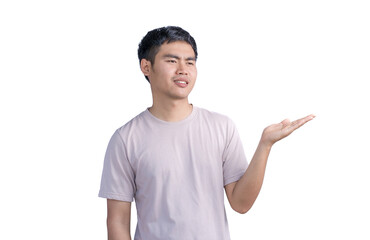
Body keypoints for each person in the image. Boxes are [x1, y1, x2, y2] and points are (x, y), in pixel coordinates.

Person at [98, 26, 315, 240]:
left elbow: (241, 204)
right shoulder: (125, 139)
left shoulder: (221, 127)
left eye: (190, 62)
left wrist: (265, 145)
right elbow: (117, 221)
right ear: (146, 67)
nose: (183, 69)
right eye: (172, 61)